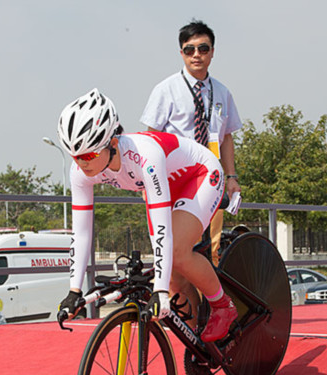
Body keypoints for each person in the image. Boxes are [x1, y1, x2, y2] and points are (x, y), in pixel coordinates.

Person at [57, 88, 237, 343]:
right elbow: (82, 231)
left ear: (113, 143)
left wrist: (159, 290)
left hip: (200, 174)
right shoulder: (81, 170)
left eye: (88, 155)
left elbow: (162, 226)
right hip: (167, 184)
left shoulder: (144, 156)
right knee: (172, 276)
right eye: (75, 155)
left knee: (175, 252)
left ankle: (222, 306)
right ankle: (198, 343)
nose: (81, 163)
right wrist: (74, 290)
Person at [140, 20, 242, 265]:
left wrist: (232, 177)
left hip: (211, 178)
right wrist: (146, 181)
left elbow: (226, 136)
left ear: (212, 52)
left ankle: (214, 303)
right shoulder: (166, 90)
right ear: (182, 53)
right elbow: (151, 136)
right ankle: (183, 303)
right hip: (175, 178)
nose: (197, 55)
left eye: (203, 48)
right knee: (178, 249)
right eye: (190, 49)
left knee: (212, 248)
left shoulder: (222, 92)